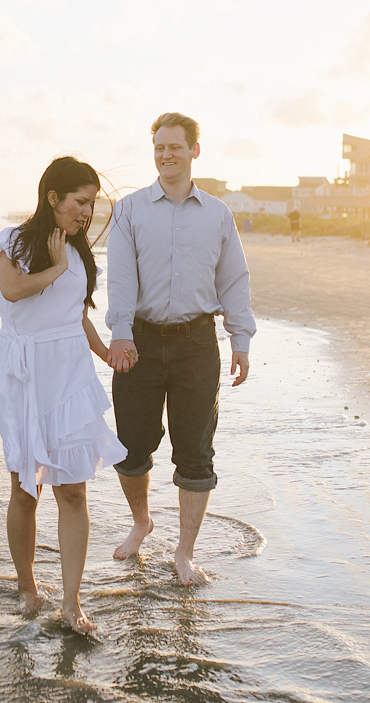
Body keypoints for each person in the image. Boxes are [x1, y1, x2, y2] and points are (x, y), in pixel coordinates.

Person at [104, 112, 256, 585]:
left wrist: (240, 338)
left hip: (196, 344)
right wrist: (121, 332)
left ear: (194, 150)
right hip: (140, 343)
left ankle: (184, 552)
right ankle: (141, 523)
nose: (165, 155)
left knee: (195, 451)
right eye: (158, 147)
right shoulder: (129, 210)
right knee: (131, 448)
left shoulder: (218, 214)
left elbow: (234, 279)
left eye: (174, 146)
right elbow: (121, 277)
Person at [0, 156, 127, 635]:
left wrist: (105, 352)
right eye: (80, 202)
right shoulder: (12, 242)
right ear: (54, 198)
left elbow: (77, 313)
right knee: (25, 489)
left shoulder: (79, 251)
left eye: (92, 204)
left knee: (73, 489)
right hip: (25, 377)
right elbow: (12, 290)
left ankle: (71, 603)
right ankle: (27, 587)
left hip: (69, 374)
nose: (87, 213)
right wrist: (57, 265)